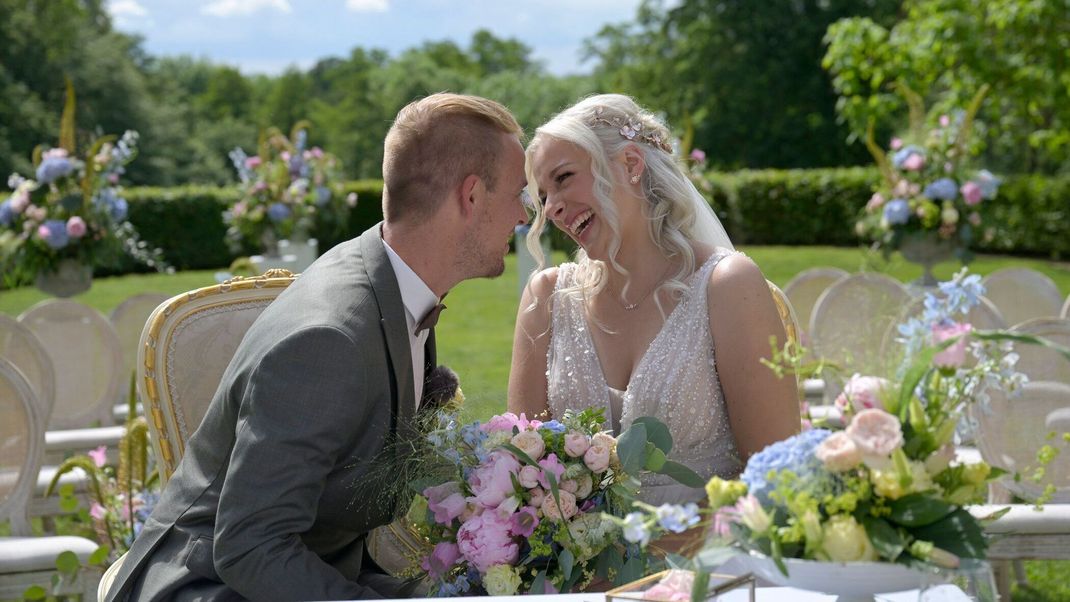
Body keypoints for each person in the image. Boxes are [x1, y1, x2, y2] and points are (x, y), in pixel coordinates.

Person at [105, 93, 530, 601]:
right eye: (518, 193)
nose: (524, 214)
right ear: (473, 196)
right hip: (207, 586)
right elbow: (248, 545)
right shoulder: (329, 341)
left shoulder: (398, 279)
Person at [508, 94, 799, 506]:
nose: (552, 208)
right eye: (542, 196)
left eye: (564, 178)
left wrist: (671, 551)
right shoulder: (547, 300)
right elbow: (524, 477)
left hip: (711, 560)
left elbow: (774, 477)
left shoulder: (726, 285)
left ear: (630, 164)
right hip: (581, 570)